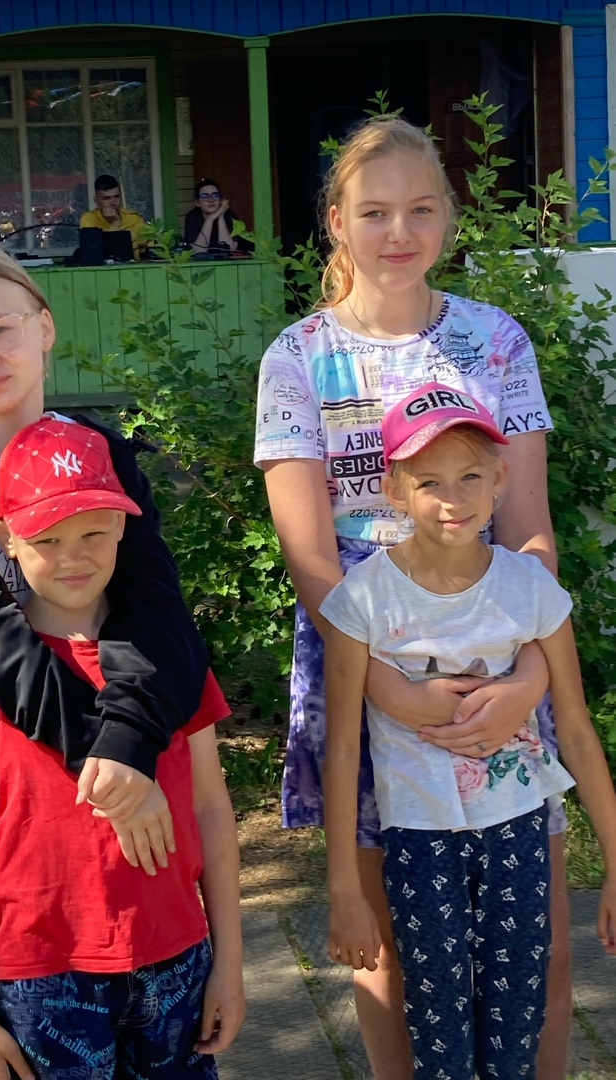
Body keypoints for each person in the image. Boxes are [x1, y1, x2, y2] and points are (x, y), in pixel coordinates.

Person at [253, 114, 571, 1080]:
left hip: (498, 668)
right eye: (375, 211)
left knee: (541, 952)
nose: (399, 231)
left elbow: (530, 533)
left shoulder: (496, 340)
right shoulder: (297, 357)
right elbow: (311, 557)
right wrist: (389, 690)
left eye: (421, 209)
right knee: (392, 956)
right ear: (336, 223)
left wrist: (530, 676)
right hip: (368, 677)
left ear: (449, 219)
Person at [0, 246, 210, 964]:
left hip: (126, 756)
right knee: (7, 999)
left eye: (0, 329)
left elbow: (154, 606)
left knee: (152, 978)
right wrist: (110, 751)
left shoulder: (99, 451)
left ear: (45, 326)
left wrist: (130, 742)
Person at [0, 417, 244, 1080]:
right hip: (41, 978)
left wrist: (231, 965)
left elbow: (212, 808)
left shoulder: (172, 660)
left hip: (178, 958)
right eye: (48, 539)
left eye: (93, 532)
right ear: (6, 538)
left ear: (123, 524)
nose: (73, 557)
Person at [321, 385, 616, 1080]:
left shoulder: (530, 588)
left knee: (517, 1029)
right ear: (395, 488)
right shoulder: (361, 599)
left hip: (519, 830)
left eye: (471, 477)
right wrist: (344, 889)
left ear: (500, 479)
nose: (452, 499)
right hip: (418, 836)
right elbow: (340, 748)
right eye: (429, 482)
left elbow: (576, 731)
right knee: (440, 1034)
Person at [79, 173, 146, 252]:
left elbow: (150, 249)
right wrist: (115, 222)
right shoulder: (89, 219)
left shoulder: (134, 218)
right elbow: (95, 251)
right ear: (96, 201)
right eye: (106, 198)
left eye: (116, 196)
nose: (113, 202)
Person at [184, 179, 251, 253]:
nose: (211, 200)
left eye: (215, 195)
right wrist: (210, 219)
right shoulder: (193, 216)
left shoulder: (229, 215)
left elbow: (229, 249)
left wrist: (221, 216)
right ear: (197, 202)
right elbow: (198, 250)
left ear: (220, 200)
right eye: (205, 196)